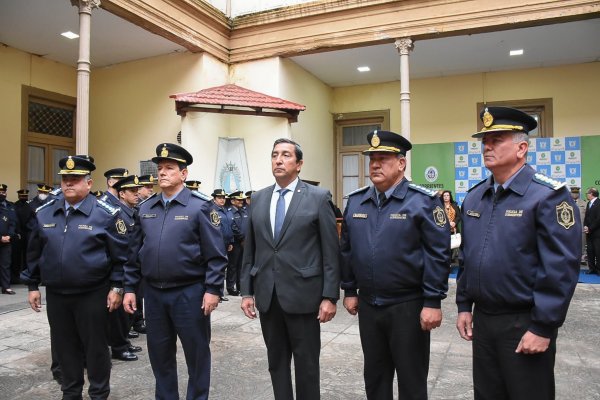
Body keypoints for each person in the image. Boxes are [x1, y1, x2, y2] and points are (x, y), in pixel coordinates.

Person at [456, 107, 582, 400]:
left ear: (522, 148)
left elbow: (561, 266)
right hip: (484, 321)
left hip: (525, 321)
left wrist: (543, 326)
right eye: (484, 141)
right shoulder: (476, 196)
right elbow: (468, 256)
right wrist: (464, 304)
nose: (487, 146)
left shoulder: (548, 196)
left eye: (497, 139)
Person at [340, 130, 450, 400]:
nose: (375, 164)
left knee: (411, 381)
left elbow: (438, 254)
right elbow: (347, 250)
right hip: (369, 307)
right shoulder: (356, 201)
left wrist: (433, 301)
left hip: (408, 307)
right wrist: (350, 290)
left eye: (383, 159)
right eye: (372, 159)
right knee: (375, 378)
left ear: (401, 164)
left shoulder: (423, 201)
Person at [123, 143, 228, 400]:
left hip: (189, 294)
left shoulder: (201, 207)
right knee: (160, 356)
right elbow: (134, 253)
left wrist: (213, 289)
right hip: (154, 295)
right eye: (160, 168)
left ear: (184, 174)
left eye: (169, 168)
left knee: (197, 354)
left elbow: (216, 254)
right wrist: (128, 288)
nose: (162, 173)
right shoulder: (146, 208)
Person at [21, 155, 129, 400]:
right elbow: (34, 252)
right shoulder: (44, 213)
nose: (69, 183)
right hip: (58, 295)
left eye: (75, 179)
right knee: (65, 347)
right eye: (65, 179)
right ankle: (70, 393)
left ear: (89, 183)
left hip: (93, 294)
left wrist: (117, 286)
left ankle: (99, 393)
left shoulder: (106, 214)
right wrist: (32, 284)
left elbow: (122, 256)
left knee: (96, 348)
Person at [240, 138, 340, 400]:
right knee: (276, 363)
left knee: (306, 365)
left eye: (286, 155)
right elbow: (251, 249)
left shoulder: (318, 198)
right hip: (268, 296)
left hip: (304, 297)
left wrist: (329, 296)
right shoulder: (258, 198)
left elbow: (331, 251)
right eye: (274, 155)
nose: (278, 160)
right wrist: (246, 292)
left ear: (299, 164)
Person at [227, 190, 247, 295]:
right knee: (232, 266)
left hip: (244, 243)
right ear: (232, 200)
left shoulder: (243, 211)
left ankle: (240, 286)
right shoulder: (229, 212)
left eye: (241, 199)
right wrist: (242, 238)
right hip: (235, 243)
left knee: (241, 266)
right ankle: (231, 287)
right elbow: (233, 227)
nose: (241, 201)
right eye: (238, 200)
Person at [0, 184, 18, 295]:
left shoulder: (9, 206)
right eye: (0, 192)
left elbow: (13, 223)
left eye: (3, 192)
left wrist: (9, 236)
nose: (2, 193)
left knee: (5, 264)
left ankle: (6, 287)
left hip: (7, 241)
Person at [584, 187, 600, 274]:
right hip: (589, 232)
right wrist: (585, 226)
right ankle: (591, 268)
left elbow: (598, 219)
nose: (586, 195)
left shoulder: (599, 203)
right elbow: (586, 217)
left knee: (598, 251)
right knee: (590, 251)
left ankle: (598, 269)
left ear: (592, 194)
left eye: (587, 193)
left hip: (597, 233)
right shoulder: (588, 203)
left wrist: (590, 228)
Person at [570, 186, 587, 264]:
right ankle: (572, 258)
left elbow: (588, 216)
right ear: (570, 193)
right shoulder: (567, 202)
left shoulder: (584, 203)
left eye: (576, 193)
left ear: (579, 194)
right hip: (570, 227)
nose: (575, 195)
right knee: (571, 243)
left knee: (582, 243)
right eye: (573, 193)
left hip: (581, 226)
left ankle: (582, 258)